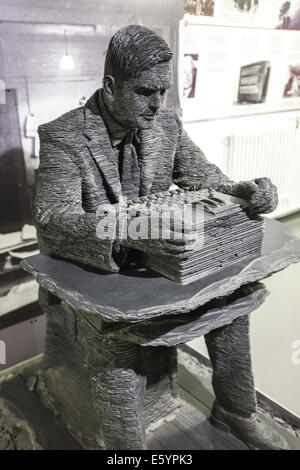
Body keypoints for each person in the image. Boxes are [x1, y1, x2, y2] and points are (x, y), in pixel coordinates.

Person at [33, 25, 286, 450]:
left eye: (162, 92)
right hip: (97, 272)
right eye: (145, 92)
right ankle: (125, 452)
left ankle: (235, 411)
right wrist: (136, 231)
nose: (156, 106)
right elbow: (53, 217)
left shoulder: (165, 123)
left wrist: (242, 189)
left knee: (232, 302)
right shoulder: (63, 136)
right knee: (117, 347)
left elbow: (202, 177)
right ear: (111, 86)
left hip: (161, 263)